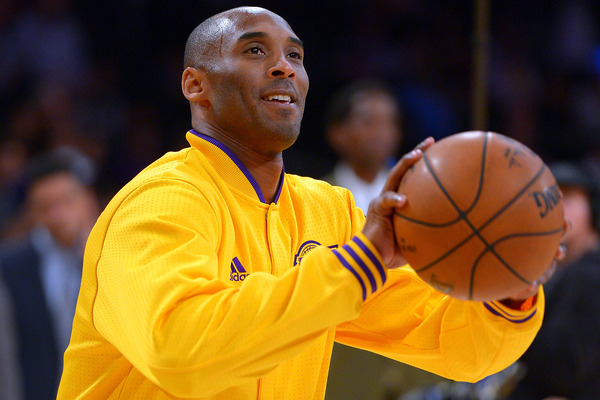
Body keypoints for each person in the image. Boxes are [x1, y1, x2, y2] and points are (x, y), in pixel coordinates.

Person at [57, 7, 564, 400]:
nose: (284, 67)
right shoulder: (160, 201)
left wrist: (509, 284)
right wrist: (358, 264)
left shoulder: (329, 211)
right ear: (196, 84)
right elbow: (179, 347)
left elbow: (455, 343)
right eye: (254, 51)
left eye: (296, 56)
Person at [0, 147, 99, 400]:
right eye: (46, 207)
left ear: (86, 200)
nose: (59, 216)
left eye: (66, 201)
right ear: (33, 211)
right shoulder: (10, 266)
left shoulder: (107, 256)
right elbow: (6, 356)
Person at [507, 161, 600, 400]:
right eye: (545, 200)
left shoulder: (590, 275)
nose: (555, 209)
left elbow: (561, 373)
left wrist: (514, 315)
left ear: (593, 208)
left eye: (566, 198)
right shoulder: (559, 272)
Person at [322, 79, 402, 212]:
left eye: (390, 121)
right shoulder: (318, 196)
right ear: (338, 133)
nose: (381, 132)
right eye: (369, 122)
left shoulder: (408, 193)